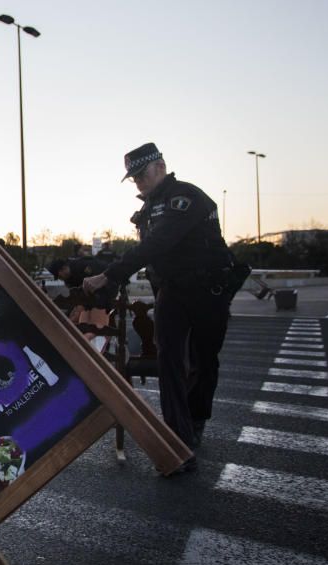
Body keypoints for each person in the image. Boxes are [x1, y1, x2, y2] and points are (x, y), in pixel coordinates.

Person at [83, 143, 232, 455]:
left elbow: (157, 245)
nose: (138, 181)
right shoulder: (149, 208)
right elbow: (150, 255)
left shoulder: (186, 198)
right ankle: (178, 439)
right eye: (133, 177)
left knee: (204, 361)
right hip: (172, 292)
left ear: (160, 167)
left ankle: (195, 418)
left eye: (142, 174)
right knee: (170, 361)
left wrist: (108, 274)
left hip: (208, 291)